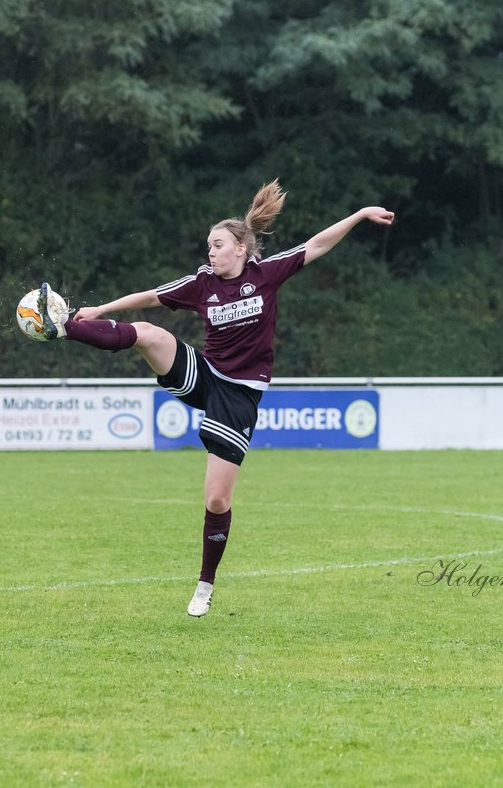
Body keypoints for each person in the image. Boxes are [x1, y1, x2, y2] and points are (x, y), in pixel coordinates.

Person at [34, 181, 395, 616]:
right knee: (150, 334)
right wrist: (99, 310)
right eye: (208, 245)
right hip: (206, 375)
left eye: (218, 245)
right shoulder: (202, 283)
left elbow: (316, 245)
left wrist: (358, 215)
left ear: (241, 248)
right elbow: (151, 296)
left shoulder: (267, 273)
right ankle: (62, 328)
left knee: (217, 501)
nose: (210, 252)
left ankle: (205, 584)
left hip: (240, 395)